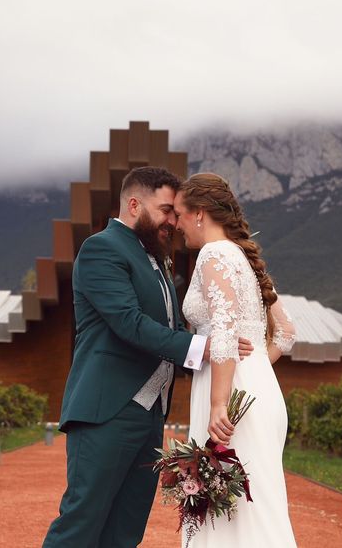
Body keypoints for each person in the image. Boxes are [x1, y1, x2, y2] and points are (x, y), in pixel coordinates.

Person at [42, 167, 254, 548]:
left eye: (176, 213)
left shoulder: (156, 259)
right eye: (166, 210)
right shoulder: (100, 248)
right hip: (106, 410)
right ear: (135, 204)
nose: (173, 221)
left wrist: (217, 349)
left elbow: (166, 326)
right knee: (81, 523)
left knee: (126, 530)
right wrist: (204, 348)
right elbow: (129, 322)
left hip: (150, 416)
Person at [174, 172, 298, 547]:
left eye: (179, 214)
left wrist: (218, 402)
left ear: (199, 213)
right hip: (256, 387)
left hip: (229, 398)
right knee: (256, 509)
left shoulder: (214, 254)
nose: (176, 223)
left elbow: (225, 334)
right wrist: (256, 363)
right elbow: (287, 333)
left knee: (231, 516)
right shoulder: (242, 257)